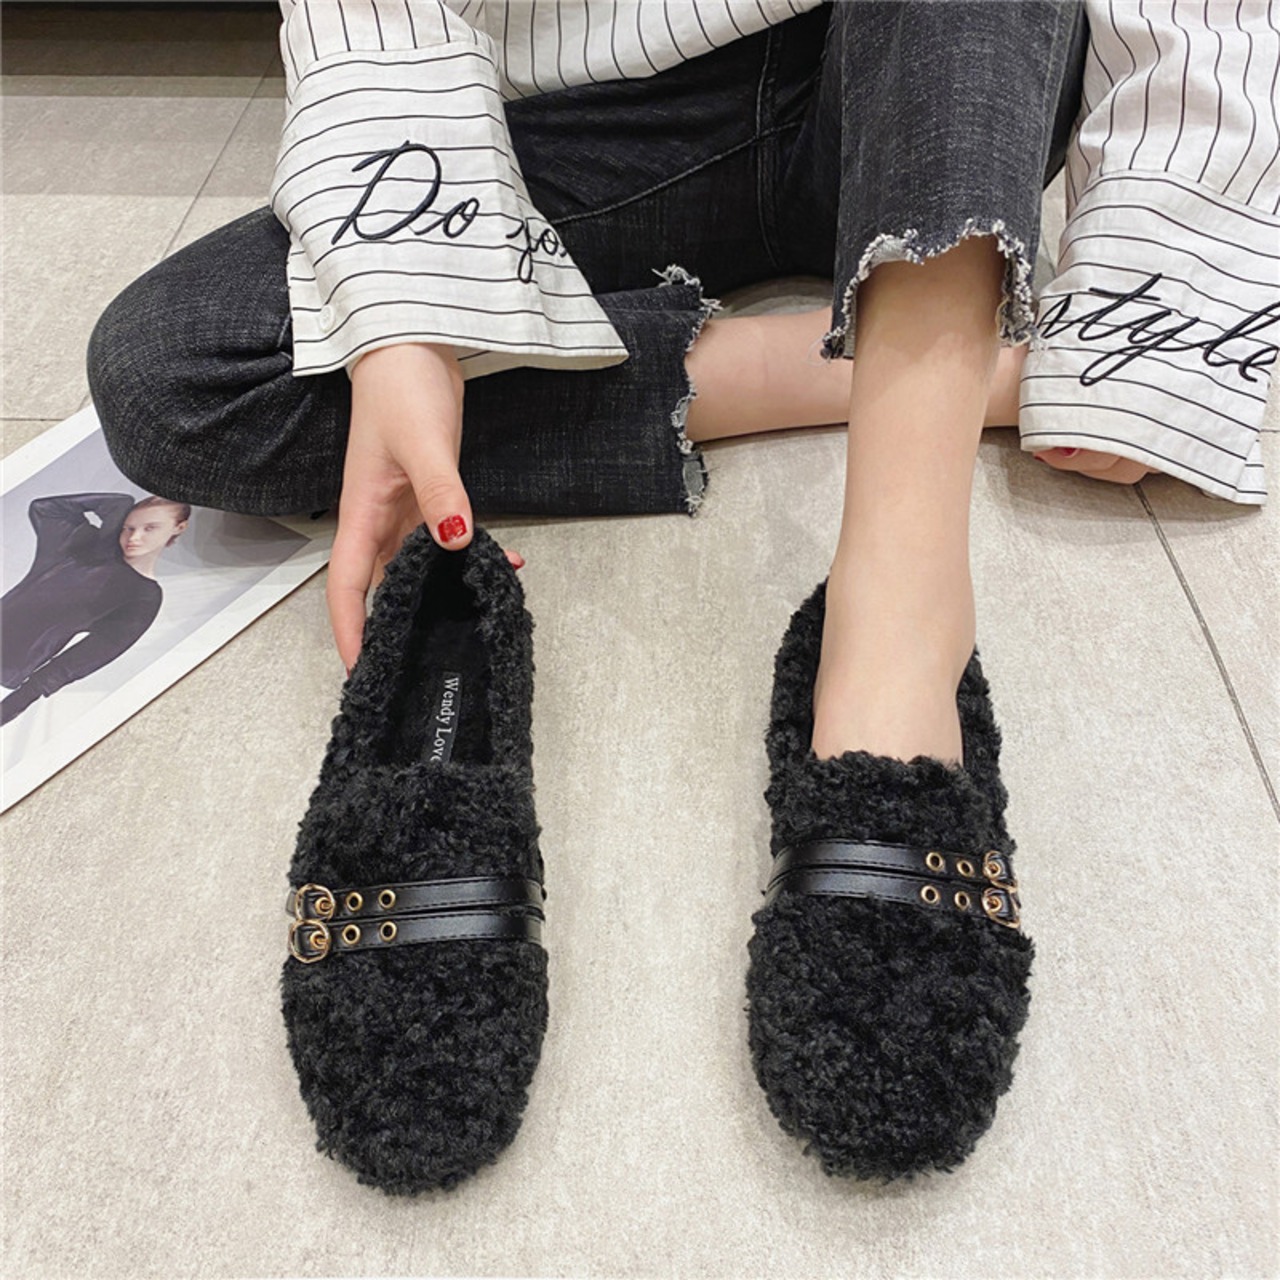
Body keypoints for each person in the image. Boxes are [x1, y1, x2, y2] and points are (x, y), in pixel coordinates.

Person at [87, 0, 1088, 1179]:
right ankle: (861, 369)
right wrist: (403, 317)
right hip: (573, 118)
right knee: (165, 377)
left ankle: (897, 611)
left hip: (896, 83)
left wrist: (1163, 294)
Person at [0, 493, 189, 725]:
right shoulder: (78, 546)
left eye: (150, 528)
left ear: (179, 527)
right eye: (128, 528)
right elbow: (45, 508)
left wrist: (16, 703)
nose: (134, 537)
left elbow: (85, 657)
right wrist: (120, 506)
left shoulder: (144, 596)